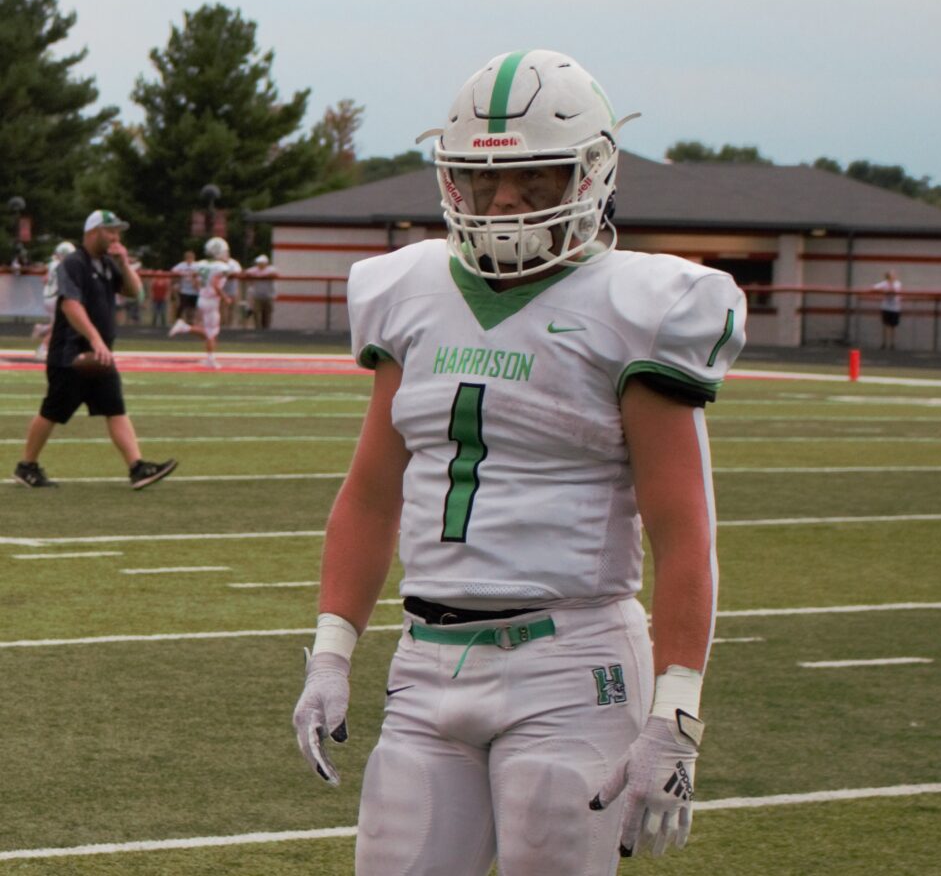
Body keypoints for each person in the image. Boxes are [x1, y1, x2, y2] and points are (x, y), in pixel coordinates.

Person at [292, 50, 747, 875]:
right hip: (425, 656)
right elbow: (370, 495)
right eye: (482, 179)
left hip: (570, 660)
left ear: (590, 174)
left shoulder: (639, 305)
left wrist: (676, 710)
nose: (503, 201)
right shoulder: (411, 290)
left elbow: (684, 530)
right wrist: (331, 650)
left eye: (533, 176)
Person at [12, 210, 178, 490]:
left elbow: (135, 292)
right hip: (72, 354)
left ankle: (137, 467)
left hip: (98, 355)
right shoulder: (73, 263)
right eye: (109, 231)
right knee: (52, 411)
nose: (115, 237)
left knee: (115, 407)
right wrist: (95, 339)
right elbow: (70, 305)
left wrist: (124, 263)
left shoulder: (107, 263)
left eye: (117, 232)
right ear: (92, 233)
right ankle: (26, 465)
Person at [168, 236, 232, 368]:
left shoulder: (200, 264)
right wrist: (225, 297)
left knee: (210, 332)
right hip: (211, 300)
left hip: (202, 298)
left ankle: (209, 356)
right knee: (211, 332)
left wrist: (200, 289)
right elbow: (215, 283)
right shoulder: (222, 267)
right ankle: (209, 358)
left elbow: (194, 278)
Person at [32, 240, 76, 359]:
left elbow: (44, 279)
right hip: (56, 298)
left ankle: (42, 328)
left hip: (47, 297)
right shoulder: (65, 265)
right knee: (60, 325)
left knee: (60, 323)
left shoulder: (52, 264)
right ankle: (43, 347)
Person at [245, 254, 277, 330]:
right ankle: (258, 329)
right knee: (257, 314)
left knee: (267, 315)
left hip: (268, 295)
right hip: (257, 295)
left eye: (262, 263)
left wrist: (259, 277)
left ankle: (266, 330)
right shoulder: (254, 269)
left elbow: (274, 275)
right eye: (259, 263)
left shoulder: (271, 269)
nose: (260, 264)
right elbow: (245, 273)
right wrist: (255, 276)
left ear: (266, 263)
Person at [872, 269, 902, 349]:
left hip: (895, 308)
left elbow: (895, 291)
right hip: (886, 307)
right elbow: (874, 287)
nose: (892, 277)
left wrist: (890, 288)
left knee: (893, 326)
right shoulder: (884, 283)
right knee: (885, 325)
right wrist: (882, 291)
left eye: (893, 276)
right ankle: (884, 343)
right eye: (890, 276)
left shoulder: (898, 283)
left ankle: (892, 343)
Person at [170, 250, 198, 322]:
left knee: (192, 307)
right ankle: (178, 320)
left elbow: (201, 274)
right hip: (184, 290)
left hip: (194, 290)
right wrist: (177, 281)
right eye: (188, 257)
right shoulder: (181, 265)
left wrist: (196, 281)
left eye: (191, 257)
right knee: (182, 306)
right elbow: (173, 271)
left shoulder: (197, 265)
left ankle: (190, 321)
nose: (189, 259)